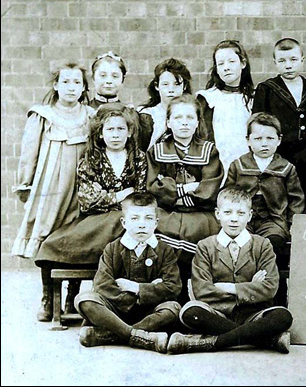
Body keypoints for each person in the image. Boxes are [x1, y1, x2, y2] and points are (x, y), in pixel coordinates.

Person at [36, 103, 147, 316]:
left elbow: (140, 195)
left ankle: (78, 297)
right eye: (110, 130)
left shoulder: (138, 158)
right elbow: (88, 200)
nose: (116, 135)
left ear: (129, 132)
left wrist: (109, 196)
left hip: (126, 220)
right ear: (101, 134)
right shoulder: (90, 159)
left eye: (120, 129)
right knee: (52, 244)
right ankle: (50, 299)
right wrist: (121, 195)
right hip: (93, 219)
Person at [11, 62, 95, 320]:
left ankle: (71, 298)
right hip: (50, 188)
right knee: (47, 236)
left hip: (80, 189)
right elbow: (29, 154)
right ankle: (48, 297)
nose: (72, 87)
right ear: (56, 85)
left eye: (77, 83)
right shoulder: (42, 115)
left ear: (83, 88)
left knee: (76, 236)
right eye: (66, 82)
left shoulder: (90, 116)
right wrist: (26, 184)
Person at [167, 188, 293, 354]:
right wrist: (250, 288)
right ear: (218, 214)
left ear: (249, 216)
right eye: (227, 212)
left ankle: (209, 343)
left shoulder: (262, 245)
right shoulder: (205, 246)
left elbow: (270, 287)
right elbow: (202, 291)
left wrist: (229, 288)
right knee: (190, 312)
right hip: (218, 314)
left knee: (283, 316)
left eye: (241, 213)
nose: (234, 219)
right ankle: (266, 340)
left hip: (254, 314)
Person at [74, 192, 182, 353]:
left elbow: (173, 287)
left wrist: (137, 288)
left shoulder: (164, 250)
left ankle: (110, 335)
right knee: (84, 299)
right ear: (124, 222)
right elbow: (102, 284)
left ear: (156, 223)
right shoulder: (113, 249)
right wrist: (141, 296)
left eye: (148, 218)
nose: (141, 224)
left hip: (149, 312)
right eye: (135, 218)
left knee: (173, 309)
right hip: (115, 311)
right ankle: (139, 336)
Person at [146, 94, 223, 303]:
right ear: (169, 122)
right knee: (164, 237)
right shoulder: (157, 151)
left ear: (198, 122)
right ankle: (173, 296)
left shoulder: (209, 151)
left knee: (203, 236)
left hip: (200, 214)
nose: (184, 123)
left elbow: (209, 188)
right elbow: (154, 188)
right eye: (178, 118)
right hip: (167, 213)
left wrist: (173, 189)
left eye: (190, 118)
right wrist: (188, 188)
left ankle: (202, 300)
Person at [224, 112, 305, 305]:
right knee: (241, 244)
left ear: (279, 140)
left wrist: (294, 223)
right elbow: (227, 194)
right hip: (244, 220)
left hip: (273, 220)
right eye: (258, 138)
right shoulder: (239, 165)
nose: (264, 144)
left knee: (271, 244)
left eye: (270, 138)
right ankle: (242, 299)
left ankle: (274, 300)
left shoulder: (286, 168)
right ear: (248, 140)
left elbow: (296, 199)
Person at [252, 38, 306, 159]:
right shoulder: (266, 90)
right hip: (278, 154)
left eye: (293, 60)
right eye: (282, 61)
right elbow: (258, 124)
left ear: (302, 60)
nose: (288, 65)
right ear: (275, 62)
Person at [197, 40, 254, 173]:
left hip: (248, 166)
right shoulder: (208, 98)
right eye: (220, 64)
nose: (226, 67)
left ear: (243, 63)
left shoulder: (254, 98)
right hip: (217, 167)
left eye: (231, 62)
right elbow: (203, 137)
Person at [138, 58, 193, 151]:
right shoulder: (147, 115)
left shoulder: (192, 113)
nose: (171, 89)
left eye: (176, 84)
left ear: (185, 86)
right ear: (156, 86)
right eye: (165, 84)